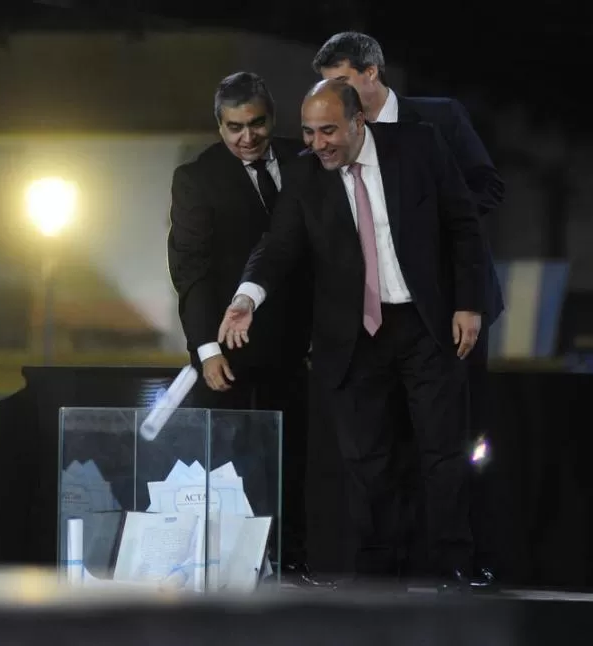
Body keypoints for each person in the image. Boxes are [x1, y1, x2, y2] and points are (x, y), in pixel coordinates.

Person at [219, 79, 486, 589]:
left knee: (442, 452)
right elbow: (277, 247)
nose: (318, 143)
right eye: (308, 132)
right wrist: (247, 297)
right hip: (353, 336)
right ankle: (379, 581)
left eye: (328, 131)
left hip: (426, 324)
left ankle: (455, 569)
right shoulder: (304, 174)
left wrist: (468, 303)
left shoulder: (419, 146)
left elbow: (463, 223)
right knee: (369, 462)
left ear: (358, 121)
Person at [313, 32, 503, 586]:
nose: (333, 95)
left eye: (343, 82)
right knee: (381, 447)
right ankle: (395, 568)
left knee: (460, 442)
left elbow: (486, 189)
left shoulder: (436, 120)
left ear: (373, 73)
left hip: (448, 309)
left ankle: (469, 561)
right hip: (375, 317)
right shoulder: (337, 142)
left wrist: (433, 233)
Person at [167, 71, 327, 587]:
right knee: (238, 466)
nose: (247, 137)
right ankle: (237, 572)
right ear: (219, 126)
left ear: (272, 118)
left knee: (302, 462)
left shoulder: (307, 159)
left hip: (307, 346)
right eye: (234, 126)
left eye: (256, 124)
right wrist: (207, 349)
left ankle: (298, 565)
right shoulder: (197, 178)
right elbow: (189, 271)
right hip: (232, 354)